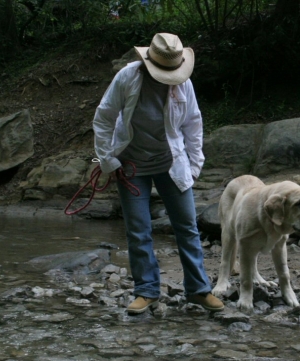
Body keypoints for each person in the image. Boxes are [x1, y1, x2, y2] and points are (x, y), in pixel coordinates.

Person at [92, 33, 224, 314]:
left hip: (172, 162)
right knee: (139, 230)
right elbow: (104, 117)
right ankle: (147, 291)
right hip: (131, 165)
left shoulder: (183, 83)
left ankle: (198, 290)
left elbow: (193, 125)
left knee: (187, 227)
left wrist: (195, 165)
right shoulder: (127, 77)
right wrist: (108, 160)